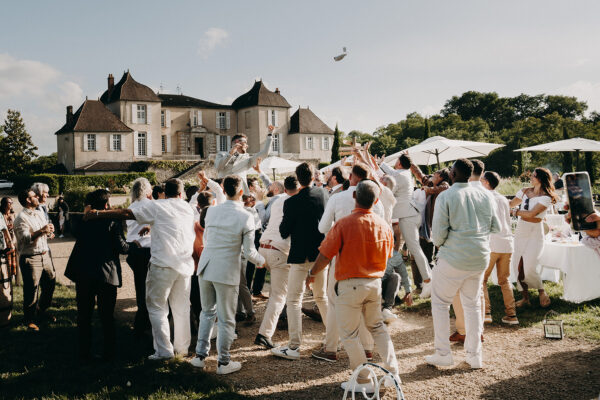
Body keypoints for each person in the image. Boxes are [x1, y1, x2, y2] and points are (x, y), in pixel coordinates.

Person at [86, 178, 195, 360]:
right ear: (181, 193)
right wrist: (151, 226)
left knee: (157, 307)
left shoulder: (158, 206)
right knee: (181, 308)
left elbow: (126, 213)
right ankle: (182, 349)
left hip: (163, 264)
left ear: (164, 192)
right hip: (184, 264)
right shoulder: (187, 208)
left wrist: (97, 213)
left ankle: (164, 351)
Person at [307, 180, 400, 393]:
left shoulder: (344, 223)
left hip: (350, 284)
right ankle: (393, 373)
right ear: (376, 200)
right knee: (377, 328)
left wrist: (312, 274)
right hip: (374, 283)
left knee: (349, 334)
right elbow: (388, 256)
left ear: (354, 197)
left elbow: (325, 254)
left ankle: (364, 380)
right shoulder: (384, 225)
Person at [425, 159, 500, 369]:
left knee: (440, 303)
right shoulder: (485, 194)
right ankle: (475, 356)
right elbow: (496, 227)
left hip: (453, 257)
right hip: (479, 257)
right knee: (473, 305)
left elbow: (438, 236)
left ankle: (443, 354)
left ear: (454, 174)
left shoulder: (447, 196)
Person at [191, 175, 265, 375]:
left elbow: (208, 236)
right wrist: (263, 262)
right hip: (226, 269)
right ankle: (223, 362)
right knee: (226, 319)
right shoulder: (246, 216)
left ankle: (199, 356)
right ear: (241, 192)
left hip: (206, 265)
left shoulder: (211, 211)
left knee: (207, 312)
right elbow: (249, 252)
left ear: (224, 190)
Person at [312, 163, 383, 362]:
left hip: (342, 254)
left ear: (351, 177)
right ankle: (368, 347)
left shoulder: (338, 198)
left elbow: (322, 227)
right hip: (371, 257)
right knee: (367, 304)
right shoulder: (378, 200)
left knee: (334, 301)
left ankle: (331, 348)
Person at [64, 189, 132, 361]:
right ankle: (109, 353)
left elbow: (75, 232)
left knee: (84, 315)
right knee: (107, 316)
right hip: (106, 274)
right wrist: (135, 244)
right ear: (107, 205)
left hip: (84, 272)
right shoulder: (112, 221)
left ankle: (84, 352)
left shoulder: (81, 221)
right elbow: (121, 248)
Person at [271, 162, 328, 360]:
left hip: (300, 255)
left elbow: (284, 231)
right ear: (313, 177)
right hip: (321, 254)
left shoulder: (291, 202)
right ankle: (332, 341)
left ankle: (294, 346)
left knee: (294, 299)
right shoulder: (323, 194)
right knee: (321, 297)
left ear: (298, 177)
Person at [254, 176, 299, 349]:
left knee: (275, 292)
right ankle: (264, 334)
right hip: (279, 249)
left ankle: (269, 323)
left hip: (263, 247)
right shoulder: (295, 202)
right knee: (279, 296)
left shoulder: (277, 199)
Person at [380, 154, 432, 298]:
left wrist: (379, 163)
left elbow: (390, 176)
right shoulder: (404, 173)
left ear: (399, 163)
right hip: (410, 214)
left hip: (408, 216)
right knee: (416, 250)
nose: (395, 162)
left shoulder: (400, 175)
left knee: (415, 250)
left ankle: (428, 281)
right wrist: (379, 163)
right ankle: (429, 279)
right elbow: (390, 172)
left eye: (396, 160)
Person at [509, 167, 558, 308]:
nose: (531, 177)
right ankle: (525, 298)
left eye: (534, 175)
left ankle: (541, 291)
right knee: (518, 266)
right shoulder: (525, 191)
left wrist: (514, 212)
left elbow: (531, 214)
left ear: (541, 179)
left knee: (530, 266)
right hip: (520, 231)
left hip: (535, 232)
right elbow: (511, 203)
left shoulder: (546, 197)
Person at [450, 159, 488, 342]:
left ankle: (464, 330)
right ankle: (478, 331)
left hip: (461, 249)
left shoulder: (460, 193)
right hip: (483, 248)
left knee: (458, 291)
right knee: (477, 293)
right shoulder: (487, 193)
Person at [14, 189, 56, 331]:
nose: (37, 197)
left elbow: (44, 230)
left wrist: (49, 231)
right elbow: (25, 239)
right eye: (34, 196)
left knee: (50, 284)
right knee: (32, 289)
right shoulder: (21, 218)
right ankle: (29, 319)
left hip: (45, 255)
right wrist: (42, 231)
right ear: (27, 200)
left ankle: (41, 310)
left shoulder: (39, 213)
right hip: (31, 257)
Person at [481, 171, 518, 325]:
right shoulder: (503, 198)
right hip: (507, 243)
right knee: (505, 280)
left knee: (482, 279)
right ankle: (511, 315)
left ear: (487, 182)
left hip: (492, 243)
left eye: (482, 179)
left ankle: (486, 312)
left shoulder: (484, 198)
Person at [125, 178, 153, 335]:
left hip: (133, 248)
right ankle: (145, 320)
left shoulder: (131, 206)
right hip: (147, 249)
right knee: (150, 286)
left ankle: (141, 318)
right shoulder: (151, 205)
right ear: (148, 191)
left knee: (140, 285)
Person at [214, 128, 273, 195]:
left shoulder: (248, 160)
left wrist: (270, 135)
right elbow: (218, 167)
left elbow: (265, 153)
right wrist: (231, 153)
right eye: (245, 142)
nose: (247, 145)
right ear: (237, 142)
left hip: (241, 194)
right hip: (223, 193)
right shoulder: (222, 154)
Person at [1, 197, 18, 285]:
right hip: (5, 240)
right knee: (7, 260)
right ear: (4, 204)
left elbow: (17, 227)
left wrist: (13, 223)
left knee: (14, 259)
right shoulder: (1, 215)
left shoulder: (13, 214)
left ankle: (15, 279)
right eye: (9, 202)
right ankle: (7, 277)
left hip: (13, 239)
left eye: (12, 202)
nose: (11, 204)